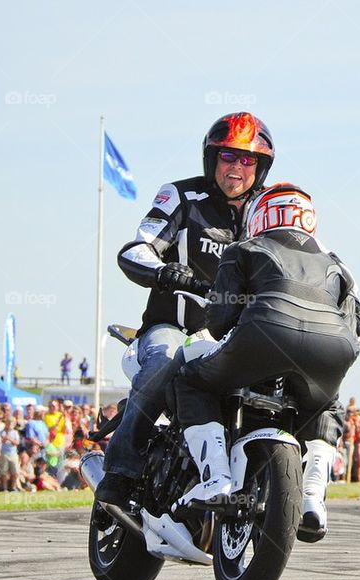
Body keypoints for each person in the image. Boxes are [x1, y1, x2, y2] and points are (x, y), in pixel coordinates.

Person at [169, 183, 360, 544]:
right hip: (335, 348)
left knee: (190, 379)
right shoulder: (338, 264)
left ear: (260, 214)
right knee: (328, 406)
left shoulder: (244, 247)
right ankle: (312, 496)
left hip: (265, 334)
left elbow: (218, 321)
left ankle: (215, 478)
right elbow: (357, 325)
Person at [97, 112, 276, 505]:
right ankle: (120, 471)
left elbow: (302, 257)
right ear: (212, 159)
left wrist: (337, 293)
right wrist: (169, 273)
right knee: (165, 359)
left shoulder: (267, 214)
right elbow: (136, 249)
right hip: (173, 327)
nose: (237, 168)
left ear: (260, 168)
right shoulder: (181, 196)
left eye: (248, 160)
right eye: (229, 157)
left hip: (232, 336)